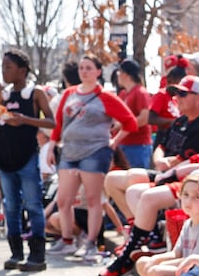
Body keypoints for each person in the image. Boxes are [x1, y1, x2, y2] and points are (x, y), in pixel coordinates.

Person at [99, 74, 199, 276]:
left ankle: (137, 244)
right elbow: (160, 145)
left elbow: (191, 161)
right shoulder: (180, 121)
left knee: (137, 192)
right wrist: (160, 158)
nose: (178, 98)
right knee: (113, 179)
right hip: (166, 171)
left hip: (184, 178)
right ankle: (148, 235)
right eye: (176, 94)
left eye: (184, 94)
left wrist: (171, 164)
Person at [49, 54, 139, 261]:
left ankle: (91, 243)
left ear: (98, 71)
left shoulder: (105, 97)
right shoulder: (69, 93)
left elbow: (130, 122)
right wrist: (52, 146)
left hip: (94, 152)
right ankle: (67, 240)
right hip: (70, 152)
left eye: (89, 68)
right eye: (81, 68)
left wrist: (113, 142)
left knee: (93, 199)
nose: (84, 71)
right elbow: (60, 122)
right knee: (64, 200)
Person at [0, 48, 55, 272]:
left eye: (8, 67)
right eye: (2, 67)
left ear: (22, 70)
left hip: (27, 156)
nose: (4, 71)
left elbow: (51, 122)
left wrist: (26, 120)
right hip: (5, 156)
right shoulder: (6, 94)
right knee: (10, 206)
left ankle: (37, 255)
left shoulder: (35, 92)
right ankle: (15, 252)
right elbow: (0, 120)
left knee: (33, 204)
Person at [113, 58, 155, 170]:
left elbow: (144, 118)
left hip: (138, 145)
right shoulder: (123, 94)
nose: (117, 76)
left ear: (125, 74)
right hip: (123, 144)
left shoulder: (140, 92)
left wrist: (121, 125)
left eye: (119, 73)